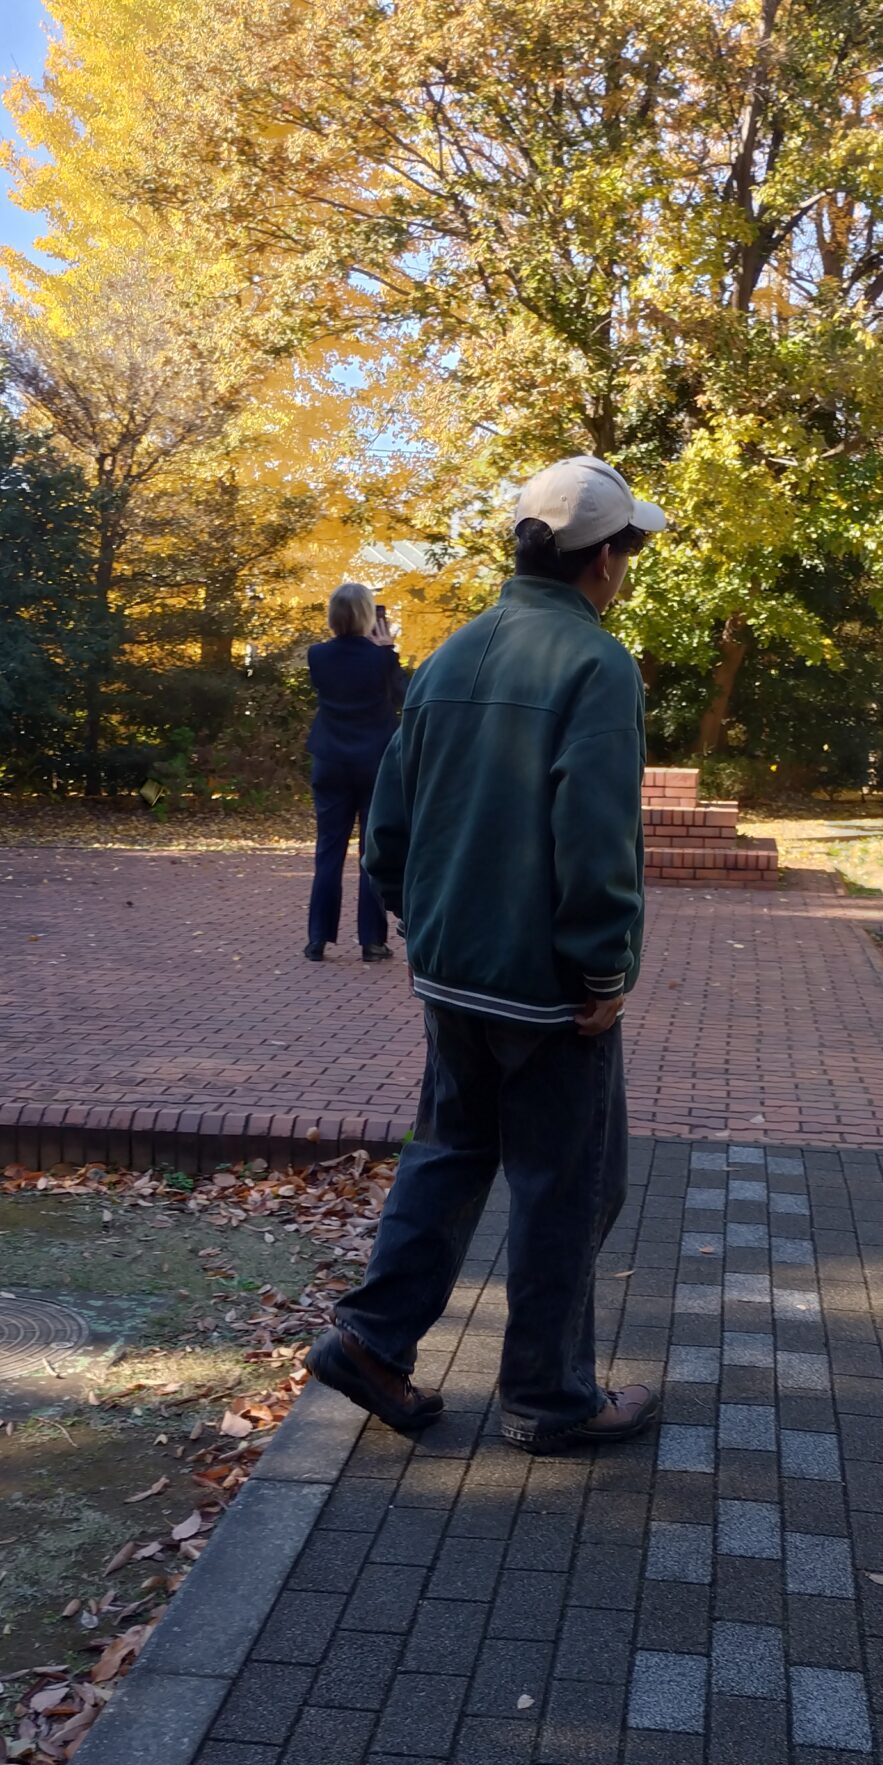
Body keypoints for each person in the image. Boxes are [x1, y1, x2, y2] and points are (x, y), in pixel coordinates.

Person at [307, 455, 668, 1454]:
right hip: (551, 988)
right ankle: (548, 1395)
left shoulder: (454, 654)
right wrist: (602, 972)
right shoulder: (598, 664)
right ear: (603, 562)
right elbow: (595, 837)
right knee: (572, 1182)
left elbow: (390, 827)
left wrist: (421, 920)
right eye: (628, 550)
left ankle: (374, 1339)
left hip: (454, 973)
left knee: (452, 1150)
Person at [303, 581, 404, 964]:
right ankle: (371, 941)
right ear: (367, 615)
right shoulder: (381, 659)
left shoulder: (317, 656)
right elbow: (404, 697)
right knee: (370, 853)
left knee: (328, 849)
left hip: (330, 760)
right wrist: (388, 652)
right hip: (375, 762)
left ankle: (318, 938)